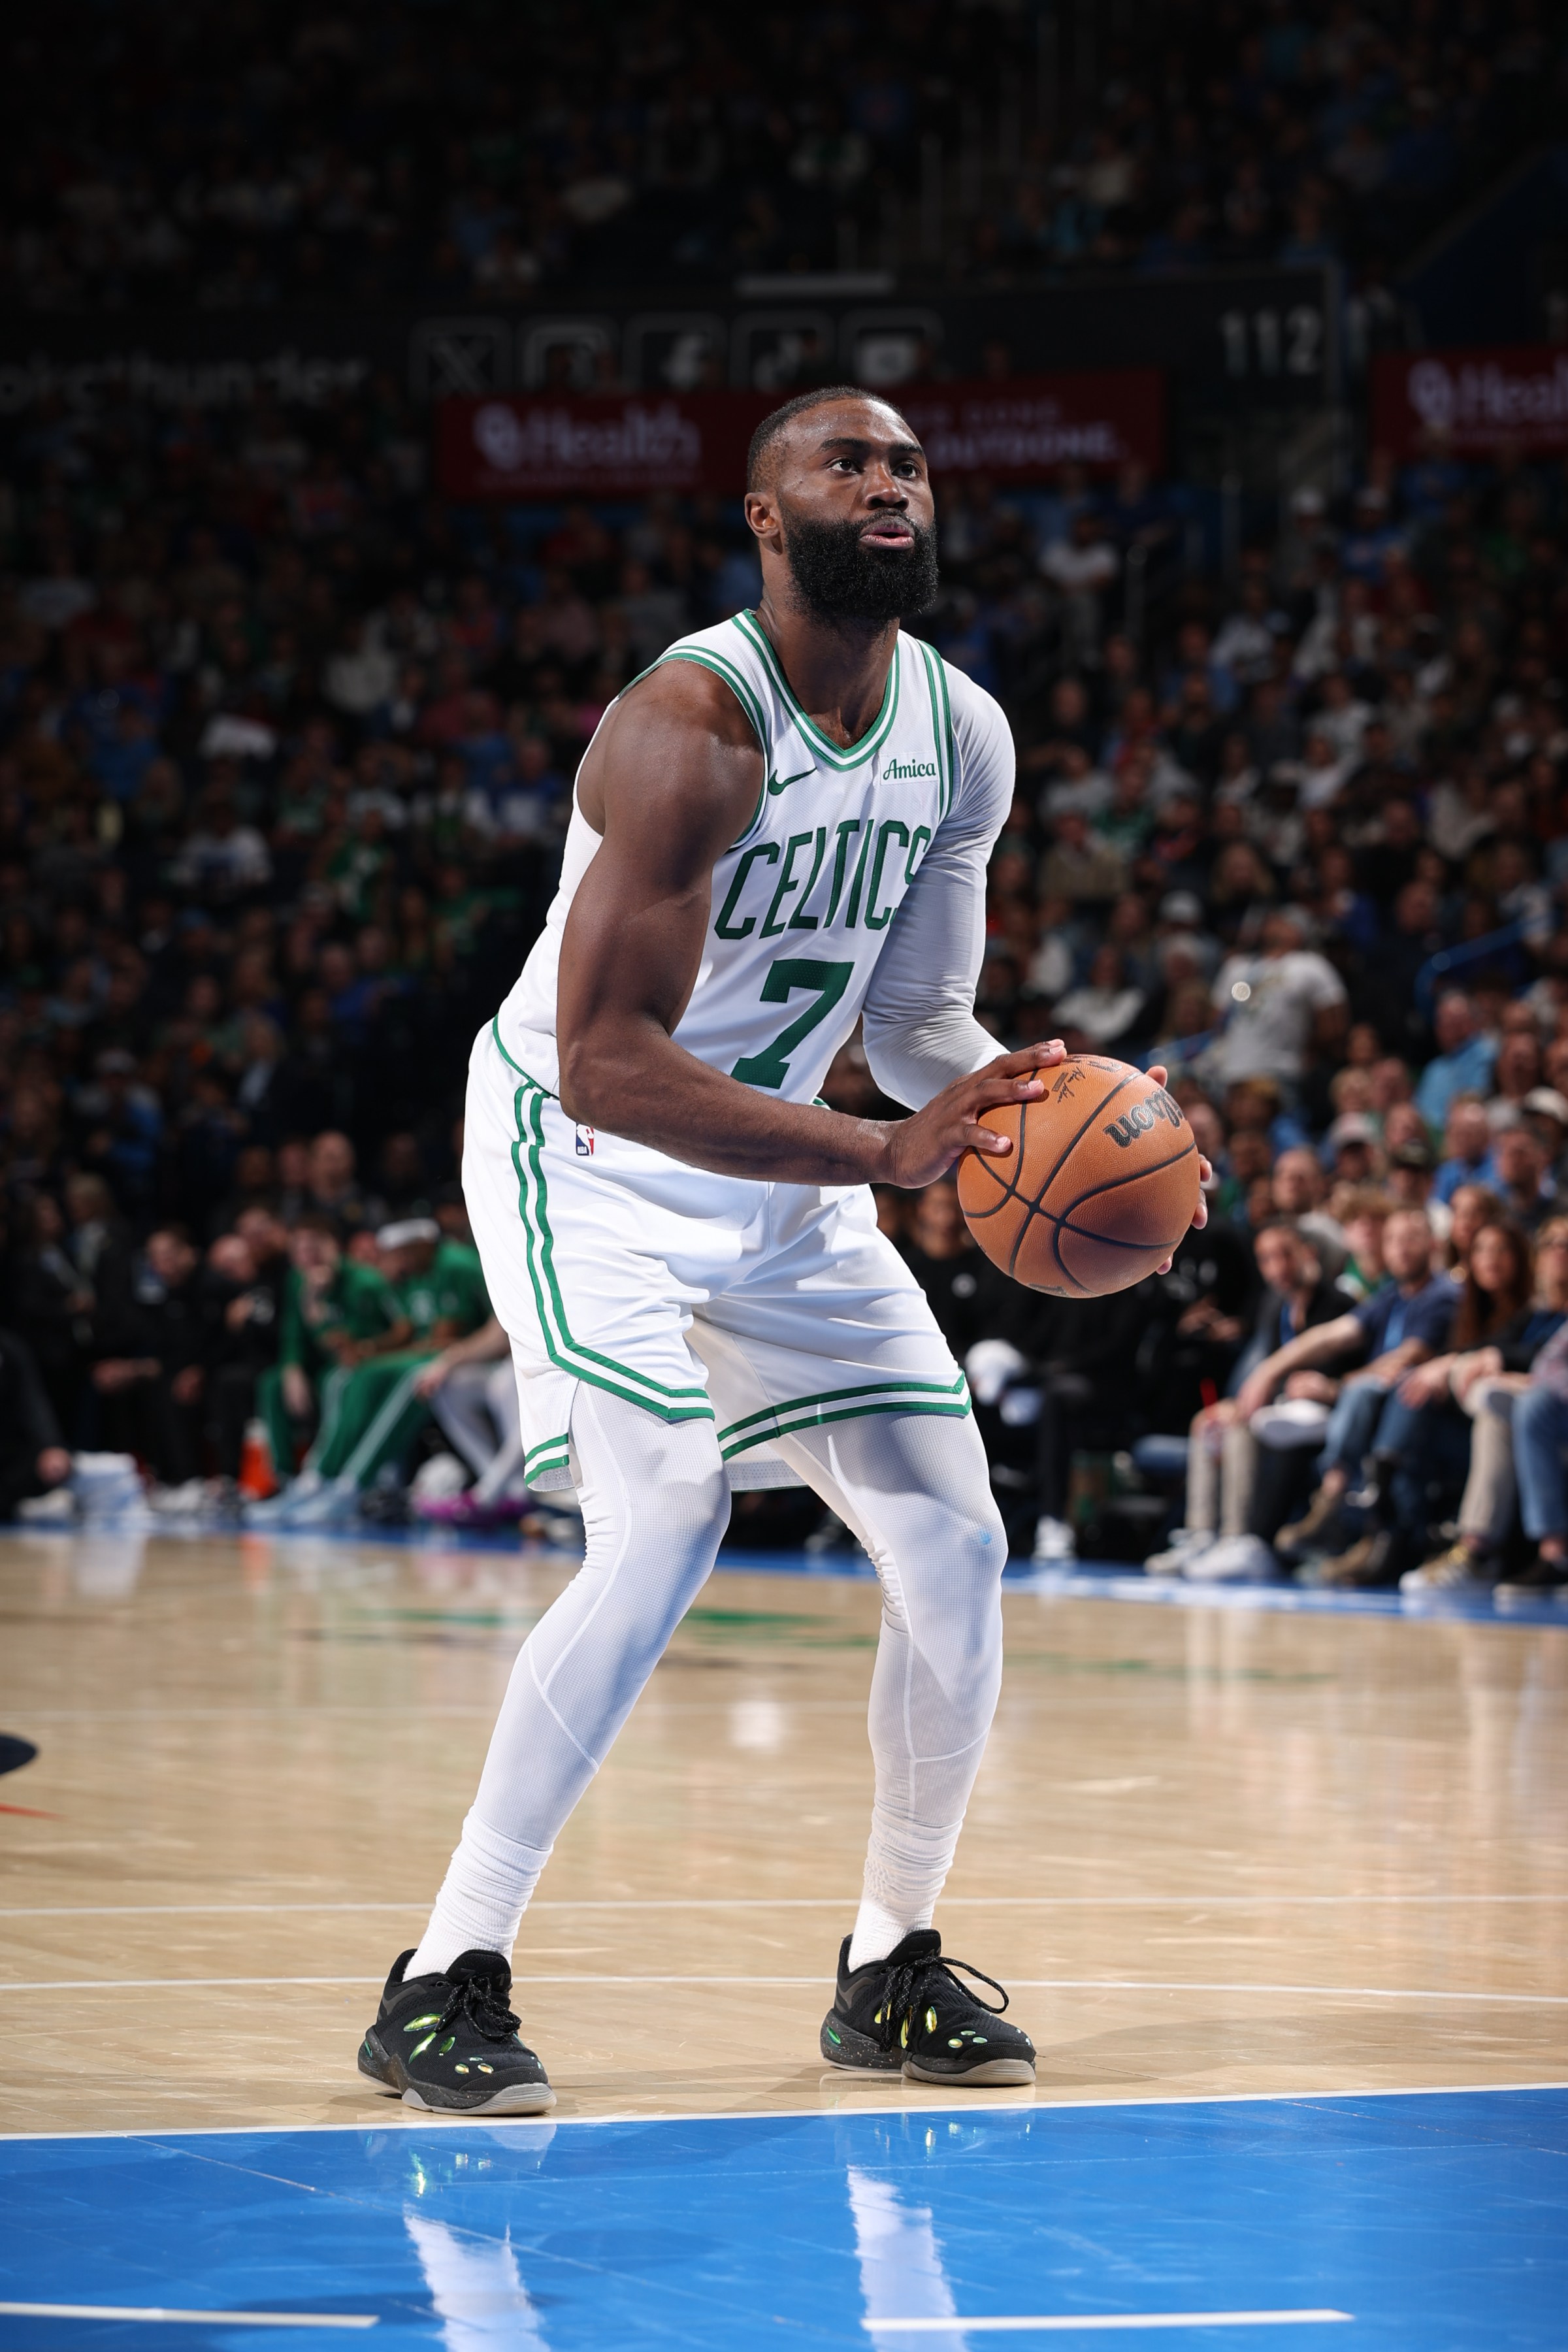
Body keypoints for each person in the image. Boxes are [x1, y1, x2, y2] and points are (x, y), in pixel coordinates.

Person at [353, 384, 1209, 2114]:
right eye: (847, 461)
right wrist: (885, 1153)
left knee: (957, 1544)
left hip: (785, 1169)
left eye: (909, 463)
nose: (889, 482)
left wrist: (1065, 1112)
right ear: (767, 516)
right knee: (665, 1518)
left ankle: (891, 1963)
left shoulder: (962, 732)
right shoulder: (689, 727)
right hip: (586, 1155)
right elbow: (608, 1062)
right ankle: (444, 1974)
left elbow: (916, 1021)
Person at [1262, 1207, 1456, 1585]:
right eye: (1393, 1240)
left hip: (1420, 1407)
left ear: (1434, 1244)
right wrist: (1268, 1371)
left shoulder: (1443, 1295)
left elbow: (1408, 1358)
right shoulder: (1391, 1296)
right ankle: (1338, 1512)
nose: (1401, 1248)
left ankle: (1342, 1507)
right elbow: (1332, 1336)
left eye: (1411, 1238)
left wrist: (1335, 1387)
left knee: (1363, 1389)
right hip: (1382, 1408)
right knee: (1356, 1393)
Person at [1148, 1218, 1348, 1582]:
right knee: (1209, 1421)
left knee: (1241, 1426)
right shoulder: (1275, 1307)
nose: (1277, 1268)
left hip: (1327, 1413)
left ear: (1308, 1254)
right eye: (1266, 1259)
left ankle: (1240, 1538)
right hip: (1282, 1408)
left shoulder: (1339, 1304)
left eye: (1285, 1255)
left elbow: (1342, 1372)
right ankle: (1201, 1535)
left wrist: (1326, 1386)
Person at [1399, 1219, 1568, 1593]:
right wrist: (1460, 1364)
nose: (1559, 1253)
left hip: (1549, 1410)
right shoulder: (1534, 1315)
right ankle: (1403, 1532)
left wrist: (1514, 1376)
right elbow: (1493, 1348)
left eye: (1567, 1245)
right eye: (1551, 1244)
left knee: (1518, 1405)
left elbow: (1543, 1366)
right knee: (1449, 1399)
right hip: (1525, 1415)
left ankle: (1483, 1551)